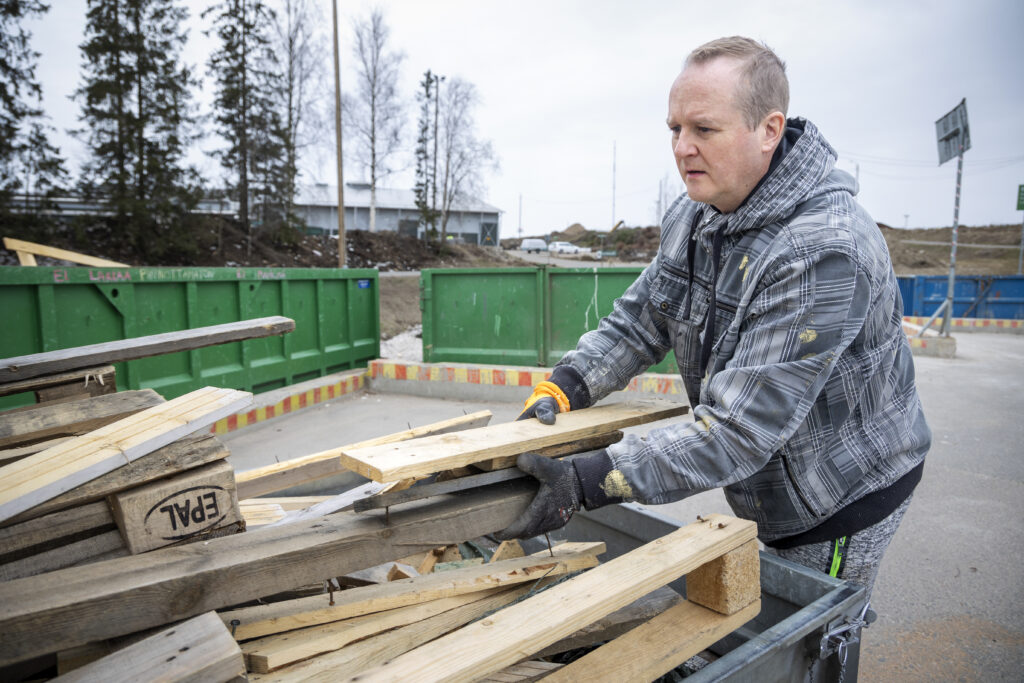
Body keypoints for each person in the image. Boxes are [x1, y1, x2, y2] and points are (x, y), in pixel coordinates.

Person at [497, 36, 930, 597]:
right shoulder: (697, 212)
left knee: (805, 634)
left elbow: (741, 429)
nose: (682, 148)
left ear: (769, 130)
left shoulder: (823, 250)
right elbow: (642, 319)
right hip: (772, 482)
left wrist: (590, 479)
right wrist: (566, 386)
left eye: (704, 130)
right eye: (675, 129)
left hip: (841, 493)